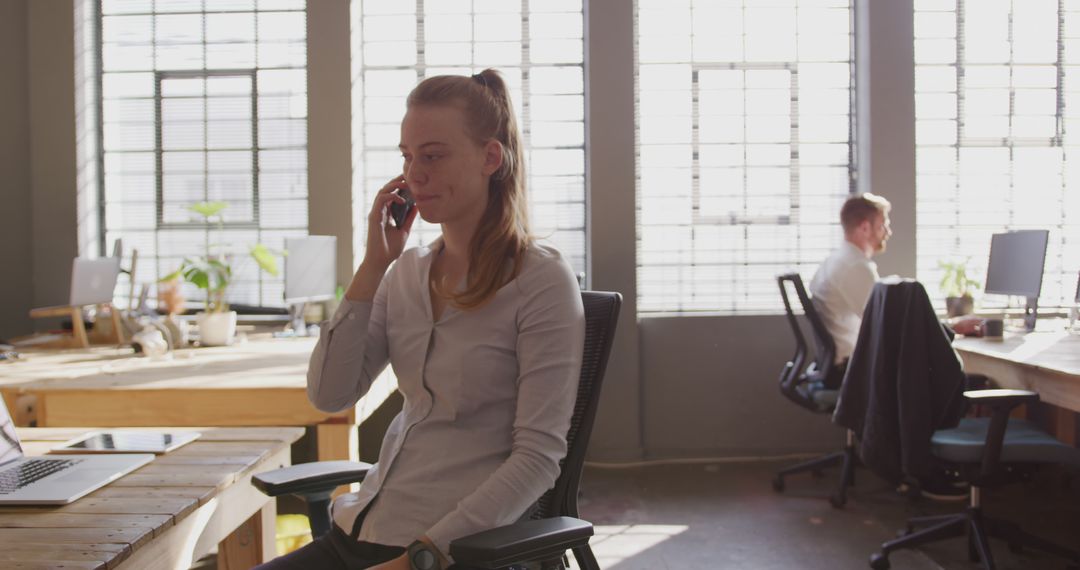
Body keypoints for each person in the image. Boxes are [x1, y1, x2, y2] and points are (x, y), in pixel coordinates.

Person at [256, 69, 585, 570]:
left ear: (490, 158)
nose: (414, 174)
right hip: (360, 530)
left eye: (432, 156)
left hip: (449, 551)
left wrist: (421, 558)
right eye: (408, 157)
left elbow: (538, 459)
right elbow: (330, 395)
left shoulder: (541, 281)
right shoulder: (403, 274)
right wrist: (372, 266)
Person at [808, 192, 892, 388]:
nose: (888, 232)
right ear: (865, 227)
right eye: (883, 225)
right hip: (848, 371)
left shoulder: (837, 259)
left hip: (836, 365)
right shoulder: (855, 266)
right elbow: (885, 324)